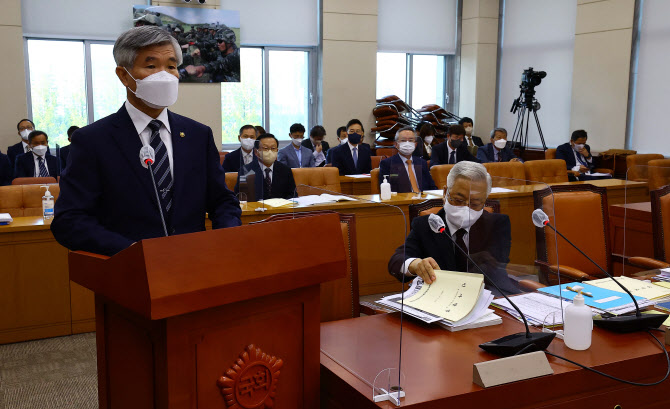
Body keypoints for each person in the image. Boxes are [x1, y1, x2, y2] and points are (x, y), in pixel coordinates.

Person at [51, 26, 241, 257]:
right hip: (129, 274)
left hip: (195, 266)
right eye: (151, 66)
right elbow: (69, 220)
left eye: (171, 66)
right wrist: (133, 253)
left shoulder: (197, 134)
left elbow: (221, 200)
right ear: (124, 75)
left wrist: (226, 239)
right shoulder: (93, 140)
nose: (165, 74)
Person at [388, 161, 519, 296]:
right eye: (458, 200)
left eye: (475, 203)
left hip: (486, 295)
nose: (466, 208)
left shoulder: (497, 224)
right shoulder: (426, 225)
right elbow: (397, 260)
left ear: (485, 201)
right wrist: (415, 264)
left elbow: (495, 267)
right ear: (445, 193)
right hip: (441, 296)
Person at [236, 133, 296, 200]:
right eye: (265, 148)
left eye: (273, 148)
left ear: (277, 150)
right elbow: (240, 196)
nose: (270, 152)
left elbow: (293, 194)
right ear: (256, 152)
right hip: (256, 209)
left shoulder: (285, 170)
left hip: (280, 209)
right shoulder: (246, 171)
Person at [379, 126, 436, 193]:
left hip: (423, 200)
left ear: (415, 144)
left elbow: (431, 187)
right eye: (403, 140)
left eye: (411, 140)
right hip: (402, 201)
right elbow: (387, 190)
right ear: (396, 144)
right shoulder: (387, 164)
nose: (407, 143)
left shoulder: (422, 163)